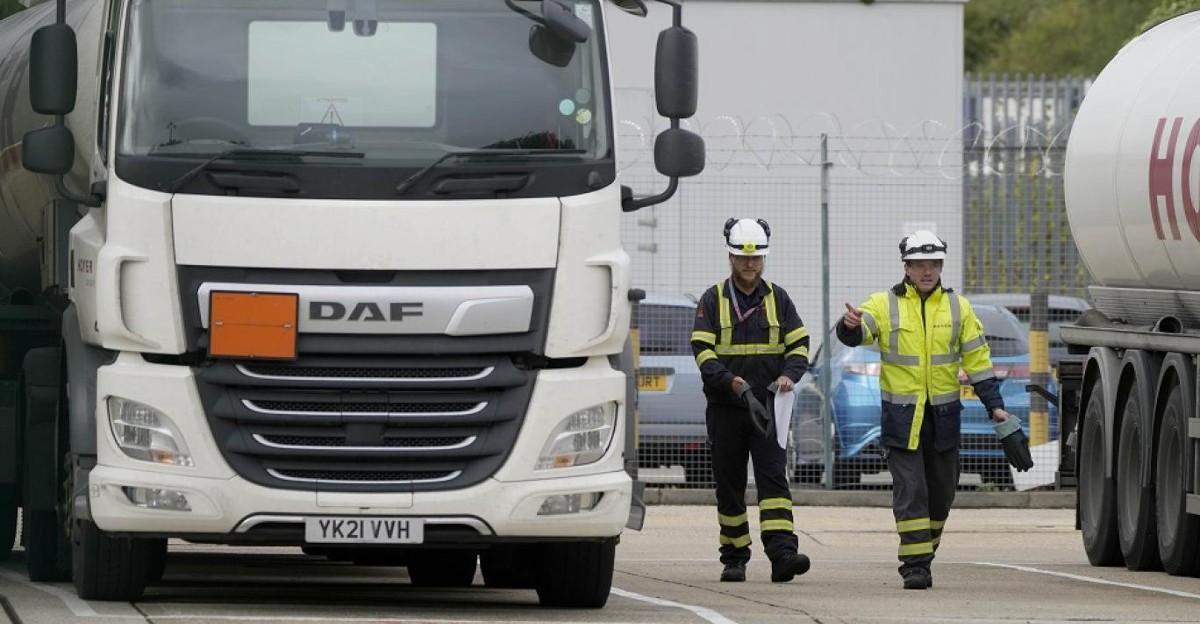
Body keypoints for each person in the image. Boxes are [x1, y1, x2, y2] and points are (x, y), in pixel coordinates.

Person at [837, 230, 1031, 591]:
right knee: (911, 490)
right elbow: (860, 331)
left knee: (941, 494)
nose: (928, 271)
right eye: (920, 264)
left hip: (943, 418)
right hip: (901, 418)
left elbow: (978, 360)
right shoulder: (884, 303)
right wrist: (849, 326)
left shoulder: (959, 308)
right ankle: (915, 565)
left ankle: (924, 549)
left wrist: (997, 409)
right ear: (906, 267)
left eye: (934, 264)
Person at [690, 217, 812, 584]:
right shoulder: (712, 299)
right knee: (729, 485)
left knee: (774, 483)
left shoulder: (779, 298)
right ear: (730, 257)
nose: (750, 264)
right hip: (727, 409)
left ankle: (782, 555)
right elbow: (702, 352)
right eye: (743, 258)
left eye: (757, 258)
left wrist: (790, 374)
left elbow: (799, 345)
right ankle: (734, 558)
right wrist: (732, 383)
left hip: (769, 408)